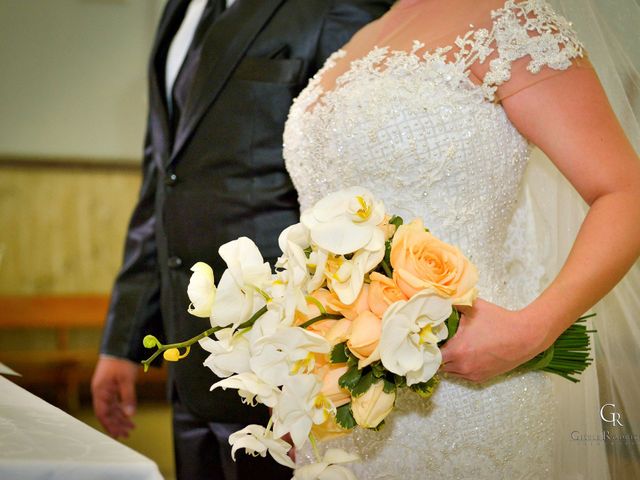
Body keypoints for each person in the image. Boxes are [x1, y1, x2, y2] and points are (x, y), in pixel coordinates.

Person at [282, 0, 640, 478]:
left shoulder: (513, 24)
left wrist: (534, 328)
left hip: (467, 385)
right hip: (340, 405)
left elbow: (626, 192)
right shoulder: (367, 33)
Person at [90, 0, 393, 479]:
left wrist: (326, 366)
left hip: (282, 355)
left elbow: (367, 188)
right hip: (185, 345)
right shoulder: (178, 10)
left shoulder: (339, 7)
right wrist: (122, 342)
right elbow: (163, 184)